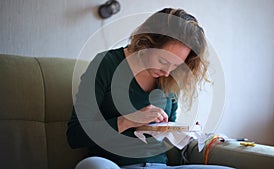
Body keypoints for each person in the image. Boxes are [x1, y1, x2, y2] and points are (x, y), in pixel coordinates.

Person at [67, 8, 234, 169]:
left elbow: (165, 134)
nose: (168, 72)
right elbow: (75, 135)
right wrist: (128, 120)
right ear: (145, 44)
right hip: (113, 165)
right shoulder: (106, 64)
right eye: (163, 61)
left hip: (159, 166)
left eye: (175, 65)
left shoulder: (169, 80)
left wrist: (185, 132)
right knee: (92, 166)